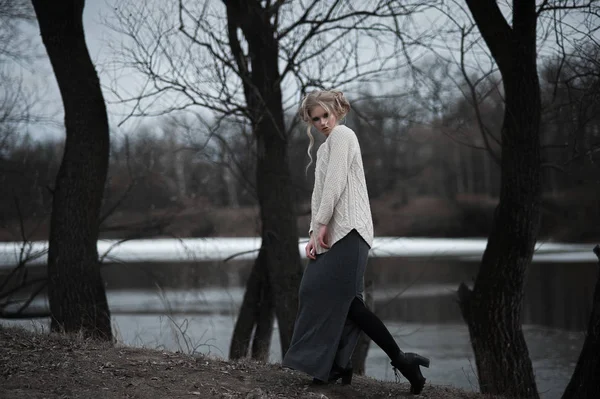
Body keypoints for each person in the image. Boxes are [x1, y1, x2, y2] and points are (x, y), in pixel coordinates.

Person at [282, 90, 430, 395]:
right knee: (332, 298)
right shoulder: (324, 149)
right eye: (315, 119)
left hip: (350, 232)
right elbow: (319, 195)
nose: (322, 122)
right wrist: (314, 232)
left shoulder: (343, 136)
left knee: (344, 301)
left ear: (336, 111)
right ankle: (343, 366)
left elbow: (335, 186)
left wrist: (321, 225)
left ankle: (396, 362)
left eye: (325, 115)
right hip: (331, 233)